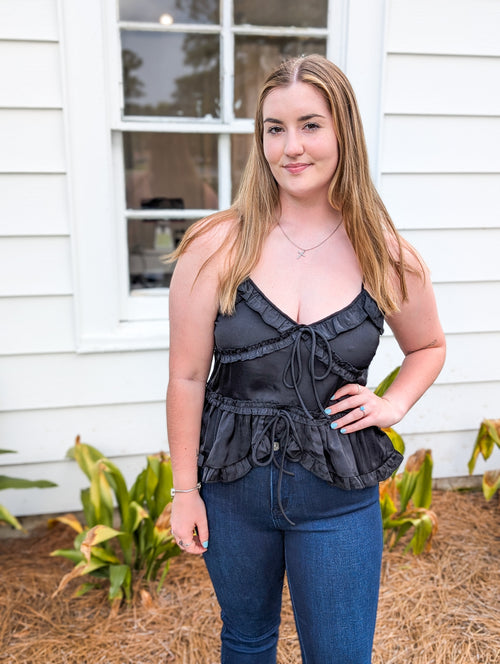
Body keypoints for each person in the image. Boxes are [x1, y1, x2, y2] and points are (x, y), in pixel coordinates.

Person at [166, 54, 445, 664]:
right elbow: (186, 378)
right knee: (245, 640)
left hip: (338, 497)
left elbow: (428, 346)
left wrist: (393, 402)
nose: (290, 146)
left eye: (310, 125)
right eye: (274, 128)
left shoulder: (385, 252)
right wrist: (183, 490)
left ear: (343, 131)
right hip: (232, 491)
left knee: (341, 655)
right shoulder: (216, 245)